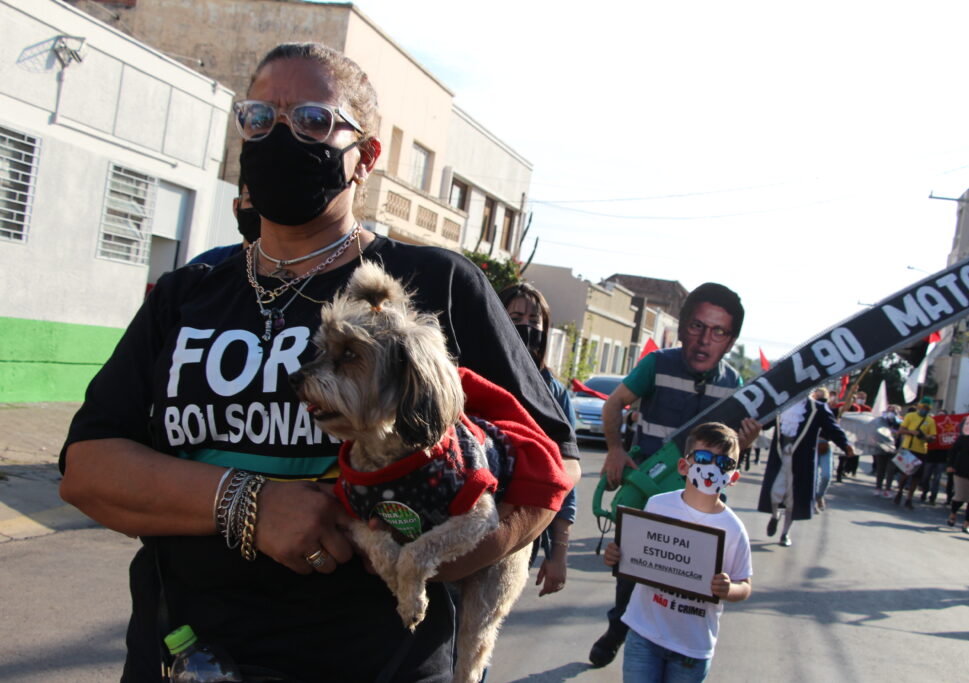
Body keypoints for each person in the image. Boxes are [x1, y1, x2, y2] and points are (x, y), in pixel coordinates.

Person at [59, 42, 580, 682]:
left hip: (378, 663)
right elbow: (87, 469)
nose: (281, 136)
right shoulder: (188, 291)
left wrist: (441, 555)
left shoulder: (435, 284)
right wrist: (248, 503)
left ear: (366, 156)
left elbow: (553, 459)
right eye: (259, 118)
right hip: (183, 657)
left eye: (311, 119)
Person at [588, 282, 760, 669]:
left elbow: (729, 451)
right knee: (631, 565)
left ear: (731, 341)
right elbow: (615, 404)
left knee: (689, 577)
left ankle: (673, 647)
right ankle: (620, 628)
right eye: (697, 326)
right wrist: (615, 450)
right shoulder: (657, 364)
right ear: (682, 327)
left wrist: (745, 444)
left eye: (718, 331)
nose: (704, 339)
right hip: (649, 486)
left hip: (702, 499)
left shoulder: (735, 387)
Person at [602, 422, 752, 682]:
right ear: (684, 466)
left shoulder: (734, 529)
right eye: (704, 458)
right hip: (644, 633)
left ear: (733, 477)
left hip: (691, 648)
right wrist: (616, 555)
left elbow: (745, 585)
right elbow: (635, 554)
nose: (712, 468)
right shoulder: (658, 505)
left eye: (724, 464)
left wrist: (729, 589)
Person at [498, 282, 577, 596]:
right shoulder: (472, 372)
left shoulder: (554, 394)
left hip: (521, 532)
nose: (525, 328)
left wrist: (558, 553)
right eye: (515, 317)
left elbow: (565, 476)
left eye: (534, 322)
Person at [758, 390, 854, 547]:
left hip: (801, 461)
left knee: (793, 499)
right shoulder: (781, 404)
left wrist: (845, 444)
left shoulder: (817, 408)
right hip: (780, 457)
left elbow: (832, 428)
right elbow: (764, 422)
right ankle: (775, 516)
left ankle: (785, 533)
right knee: (774, 492)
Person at [189, 180, 260, 266]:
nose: (261, 211)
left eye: (272, 202)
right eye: (252, 200)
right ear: (236, 206)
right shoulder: (206, 265)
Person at [892, 397, 937, 510]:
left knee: (917, 477)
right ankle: (900, 491)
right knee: (905, 474)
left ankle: (909, 498)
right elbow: (901, 430)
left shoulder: (931, 421)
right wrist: (912, 432)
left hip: (921, 450)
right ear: (919, 406)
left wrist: (926, 437)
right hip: (909, 448)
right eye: (923, 407)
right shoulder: (910, 416)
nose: (924, 410)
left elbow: (933, 437)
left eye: (927, 408)